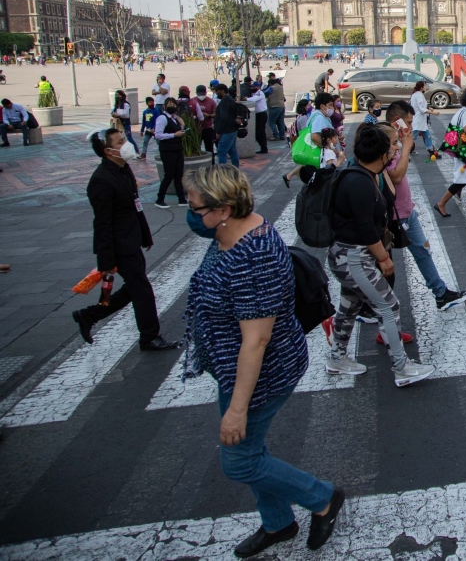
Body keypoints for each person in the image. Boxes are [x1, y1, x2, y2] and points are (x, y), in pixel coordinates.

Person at [180, 165, 344, 557]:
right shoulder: (229, 231)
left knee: (238, 461)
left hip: (262, 372)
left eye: (195, 207)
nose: (190, 214)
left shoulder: (254, 253)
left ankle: (322, 497)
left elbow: (256, 340)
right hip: (234, 367)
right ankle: (278, 522)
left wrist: (237, 409)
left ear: (223, 209)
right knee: (251, 451)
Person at [327, 125, 437, 385]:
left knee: (349, 307)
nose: (395, 150)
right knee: (389, 306)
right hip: (354, 257)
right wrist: (384, 258)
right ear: (381, 155)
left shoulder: (365, 173)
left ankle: (336, 358)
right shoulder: (359, 182)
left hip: (349, 256)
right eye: (391, 148)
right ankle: (401, 368)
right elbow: (366, 228)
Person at [71, 129, 177, 351]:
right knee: (142, 290)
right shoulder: (101, 181)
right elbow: (102, 224)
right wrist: (106, 261)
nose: (126, 144)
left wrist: (145, 235)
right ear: (108, 151)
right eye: (120, 142)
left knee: (134, 288)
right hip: (119, 245)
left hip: (132, 239)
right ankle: (149, 337)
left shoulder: (123, 169)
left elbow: (135, 206)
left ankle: (88, 315)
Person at [379, 103, 466, 310]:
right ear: (397, 120)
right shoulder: (385, 141)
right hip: (392, 214)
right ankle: (370, 306)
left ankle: (441, 293)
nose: (411, 126)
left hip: (406, 210)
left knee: (422, 251)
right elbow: (396, 176)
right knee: (382, 266)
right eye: (409, 122)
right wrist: (404, 147)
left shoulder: (395, 140)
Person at [153, 97, 187, 208]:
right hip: (167, 150)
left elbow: (179, 131)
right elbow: (158, 135)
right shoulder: (162, 118)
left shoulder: (175, 118)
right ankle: (160, 199)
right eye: (169, 104)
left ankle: (181, 199)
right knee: (169, 175)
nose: (172, 106)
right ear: (164, 106)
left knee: (178, 174)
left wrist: (182, 126)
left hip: (177, 149)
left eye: (174, 104)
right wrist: (173, 135)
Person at [213, 83, 241, 167]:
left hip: (227, 131)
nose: (216, 93)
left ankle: (223, 173)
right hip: (232, 130)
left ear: (222, 91)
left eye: (217, 91)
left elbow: (223, 117)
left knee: (221, 152)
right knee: (232, 151)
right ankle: (236, 170)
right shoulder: (230, 99)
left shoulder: (225, 101)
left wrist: (218, 132)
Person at [410, 80, 439, 155]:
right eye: (425, 85)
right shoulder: (419, 95)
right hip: (418, 120)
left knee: (427, 135)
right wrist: (433, 113)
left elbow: (421, 106)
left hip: (420, 120)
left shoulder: (415, 94)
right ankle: (405, 152)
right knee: (412, 138)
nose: (426, 87)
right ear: (422, 87)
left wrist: (429, 108)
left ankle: (431, 150)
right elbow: (422, 109)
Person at [190, 85, 217, 162]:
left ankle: (211, 163)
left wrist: (208, 115)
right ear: (196, 93)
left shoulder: (211, 101)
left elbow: (216, 113)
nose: (201, 96)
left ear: (206, 93)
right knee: (196, 148)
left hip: (208, 128)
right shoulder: (193, 101)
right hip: (196, 128)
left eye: (203, 94)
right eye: (199, 94)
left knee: (209, 148)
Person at [245, 82, 269, 154]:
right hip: (258, 115)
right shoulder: (254, 93)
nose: (252, 88)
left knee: (260, 132)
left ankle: (264, 148)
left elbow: (254, 99)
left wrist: (247, 99)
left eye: (253, 87)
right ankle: (263, 147)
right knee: (259, 133)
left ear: (257, 87)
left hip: (262, 115)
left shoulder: (259, 93)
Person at [266, 75, 287, 141]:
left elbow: (264, 92)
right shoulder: (281, 87)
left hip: (274, 106)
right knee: (281, 121)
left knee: (271, 122)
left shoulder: (271, 88)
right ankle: (282, 135)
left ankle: (276, 136)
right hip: (282, 106)